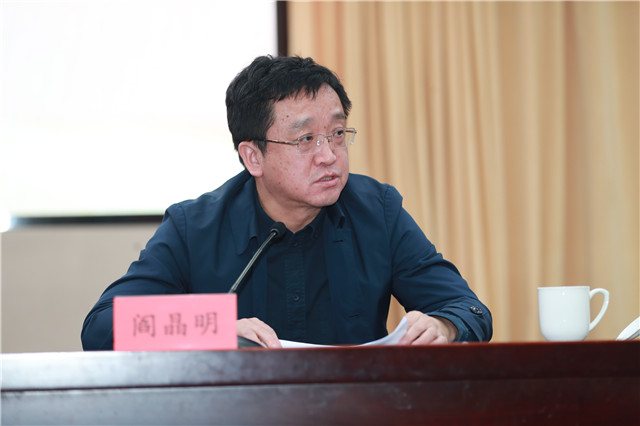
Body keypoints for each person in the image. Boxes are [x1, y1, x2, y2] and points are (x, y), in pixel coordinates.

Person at [81, 55, 492, 350]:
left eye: (337, 134)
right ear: (253, 157)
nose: (328, 155)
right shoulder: (195, 228)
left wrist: (444, 326)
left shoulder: (377, 211)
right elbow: (101, 326)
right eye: (305, 139)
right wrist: (211, 328)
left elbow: (468, 309)